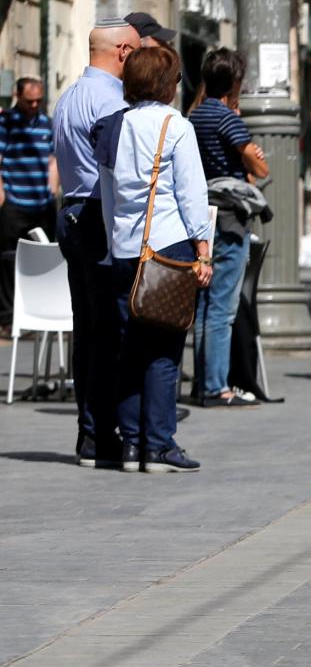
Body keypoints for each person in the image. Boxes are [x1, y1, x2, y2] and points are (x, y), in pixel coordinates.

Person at [97, 45, 213, 472]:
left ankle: (130, 445)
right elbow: (191, 193)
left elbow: (108, 196)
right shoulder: (175, 126)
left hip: (124, 250)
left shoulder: (112, 127)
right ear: (166, 85)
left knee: (129, 349)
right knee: (164, 350)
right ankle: (159, 446)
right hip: (167, 248)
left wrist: (115, 245)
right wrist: (203, 248)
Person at [51, 20, 141, 467]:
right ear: (123, 51)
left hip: (70, 211)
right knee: (108, 330)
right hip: (97, 216)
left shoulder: (68, 96)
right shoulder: (110, 102)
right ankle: (101, 434)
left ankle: (90, 434)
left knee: (88, 329)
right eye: (138, 54)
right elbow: (117, 172)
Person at [186, 49, 269, 408]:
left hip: (203, 213)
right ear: (234, 82)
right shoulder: (226, 117)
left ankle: (203, 381)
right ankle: (218, 386)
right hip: (231, 217)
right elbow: (259, 168)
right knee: (222, 306)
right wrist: (251, 154)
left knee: (204, 306)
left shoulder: (194, 116)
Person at [0, 76, 58, 337]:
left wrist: (52, 189)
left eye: (38, 101)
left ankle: (41, 314)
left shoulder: (47, 124)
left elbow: (53, 159)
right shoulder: (6, 122)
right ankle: (7, 317)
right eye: (29, 101)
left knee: (44, 260)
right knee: (9, 260)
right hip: (14, 203)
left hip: (41, 203)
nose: (34, 105)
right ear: (17, 96)